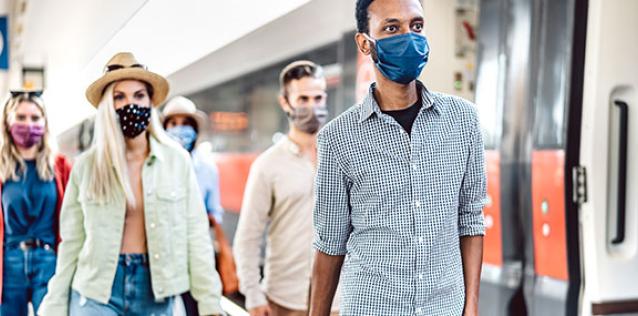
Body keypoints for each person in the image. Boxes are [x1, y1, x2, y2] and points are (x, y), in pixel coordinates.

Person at [310, 0, 487, 315]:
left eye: (416, 26)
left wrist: (471, 304)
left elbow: (470, 219)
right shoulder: (338, 138)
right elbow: (330, 246)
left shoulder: (464, 120)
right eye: (392, 28)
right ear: (365, 43)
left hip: (443, 306)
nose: (409, 37)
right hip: (372, 306)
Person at [38, 52, 224, 316]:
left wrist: (209, 303)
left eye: (139, 96)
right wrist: (55, 306)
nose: (131, 105)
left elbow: (195, 234)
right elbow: (71, 242)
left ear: (150, 102)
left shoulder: (176, 161)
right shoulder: (87, 166)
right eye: (119, 97)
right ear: (106, 106)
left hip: (157, 294)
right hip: (97, 292)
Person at [234, 60, 338, 316]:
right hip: (284, 301)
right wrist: (253, 295)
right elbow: (248, 236)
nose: (312, 107)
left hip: (338, 301)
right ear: (285, 102)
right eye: (303, 99)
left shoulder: (342, 157)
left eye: (318, 98)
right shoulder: (268, 165)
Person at [162, 96, 239, 315]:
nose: (180, 129)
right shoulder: (156, 164)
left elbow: (215, 211)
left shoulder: (207, 168)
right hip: (164, 253)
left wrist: (198, 219)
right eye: (173, 123)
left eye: (185, 123)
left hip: (195, 251)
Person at [0, 91, 72, 316]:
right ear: (8, 122)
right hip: (9, 262)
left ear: (45, 123)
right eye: (20, 117)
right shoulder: (2, 168)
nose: (28, 124)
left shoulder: (60, 167)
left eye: (35, 118)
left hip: (49, 259)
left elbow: (73, 217)